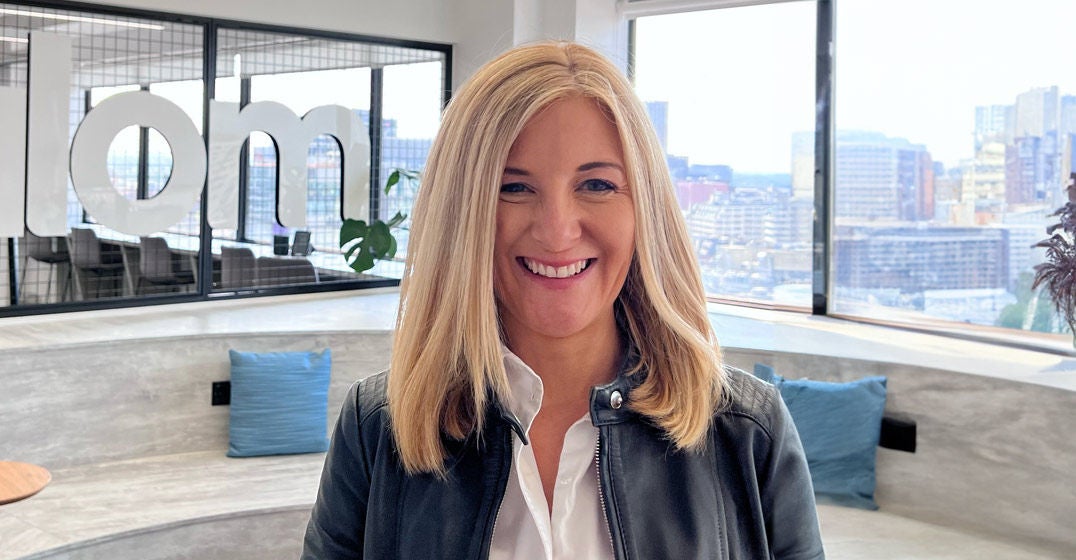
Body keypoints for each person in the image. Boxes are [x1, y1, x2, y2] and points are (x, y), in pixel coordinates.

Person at [301, 41, 824, 559]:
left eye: (597, 184)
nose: (557, 232)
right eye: (513, 188)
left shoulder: (747, 432)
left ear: (645, 208)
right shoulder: (377, 428)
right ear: (461, 212)